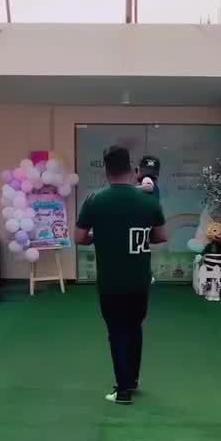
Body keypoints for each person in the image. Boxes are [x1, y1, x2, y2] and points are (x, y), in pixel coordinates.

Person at [75, 145, 167, 405]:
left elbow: (79, 237)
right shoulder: (148, 200)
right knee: (134, 328)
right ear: (132, 169)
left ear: (106, 170)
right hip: (139, 281)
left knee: (117, 331)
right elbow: (161, 235)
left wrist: (101, 235)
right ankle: (132, 381)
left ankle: (123, 390)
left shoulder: (95, 200)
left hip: (111, 281)